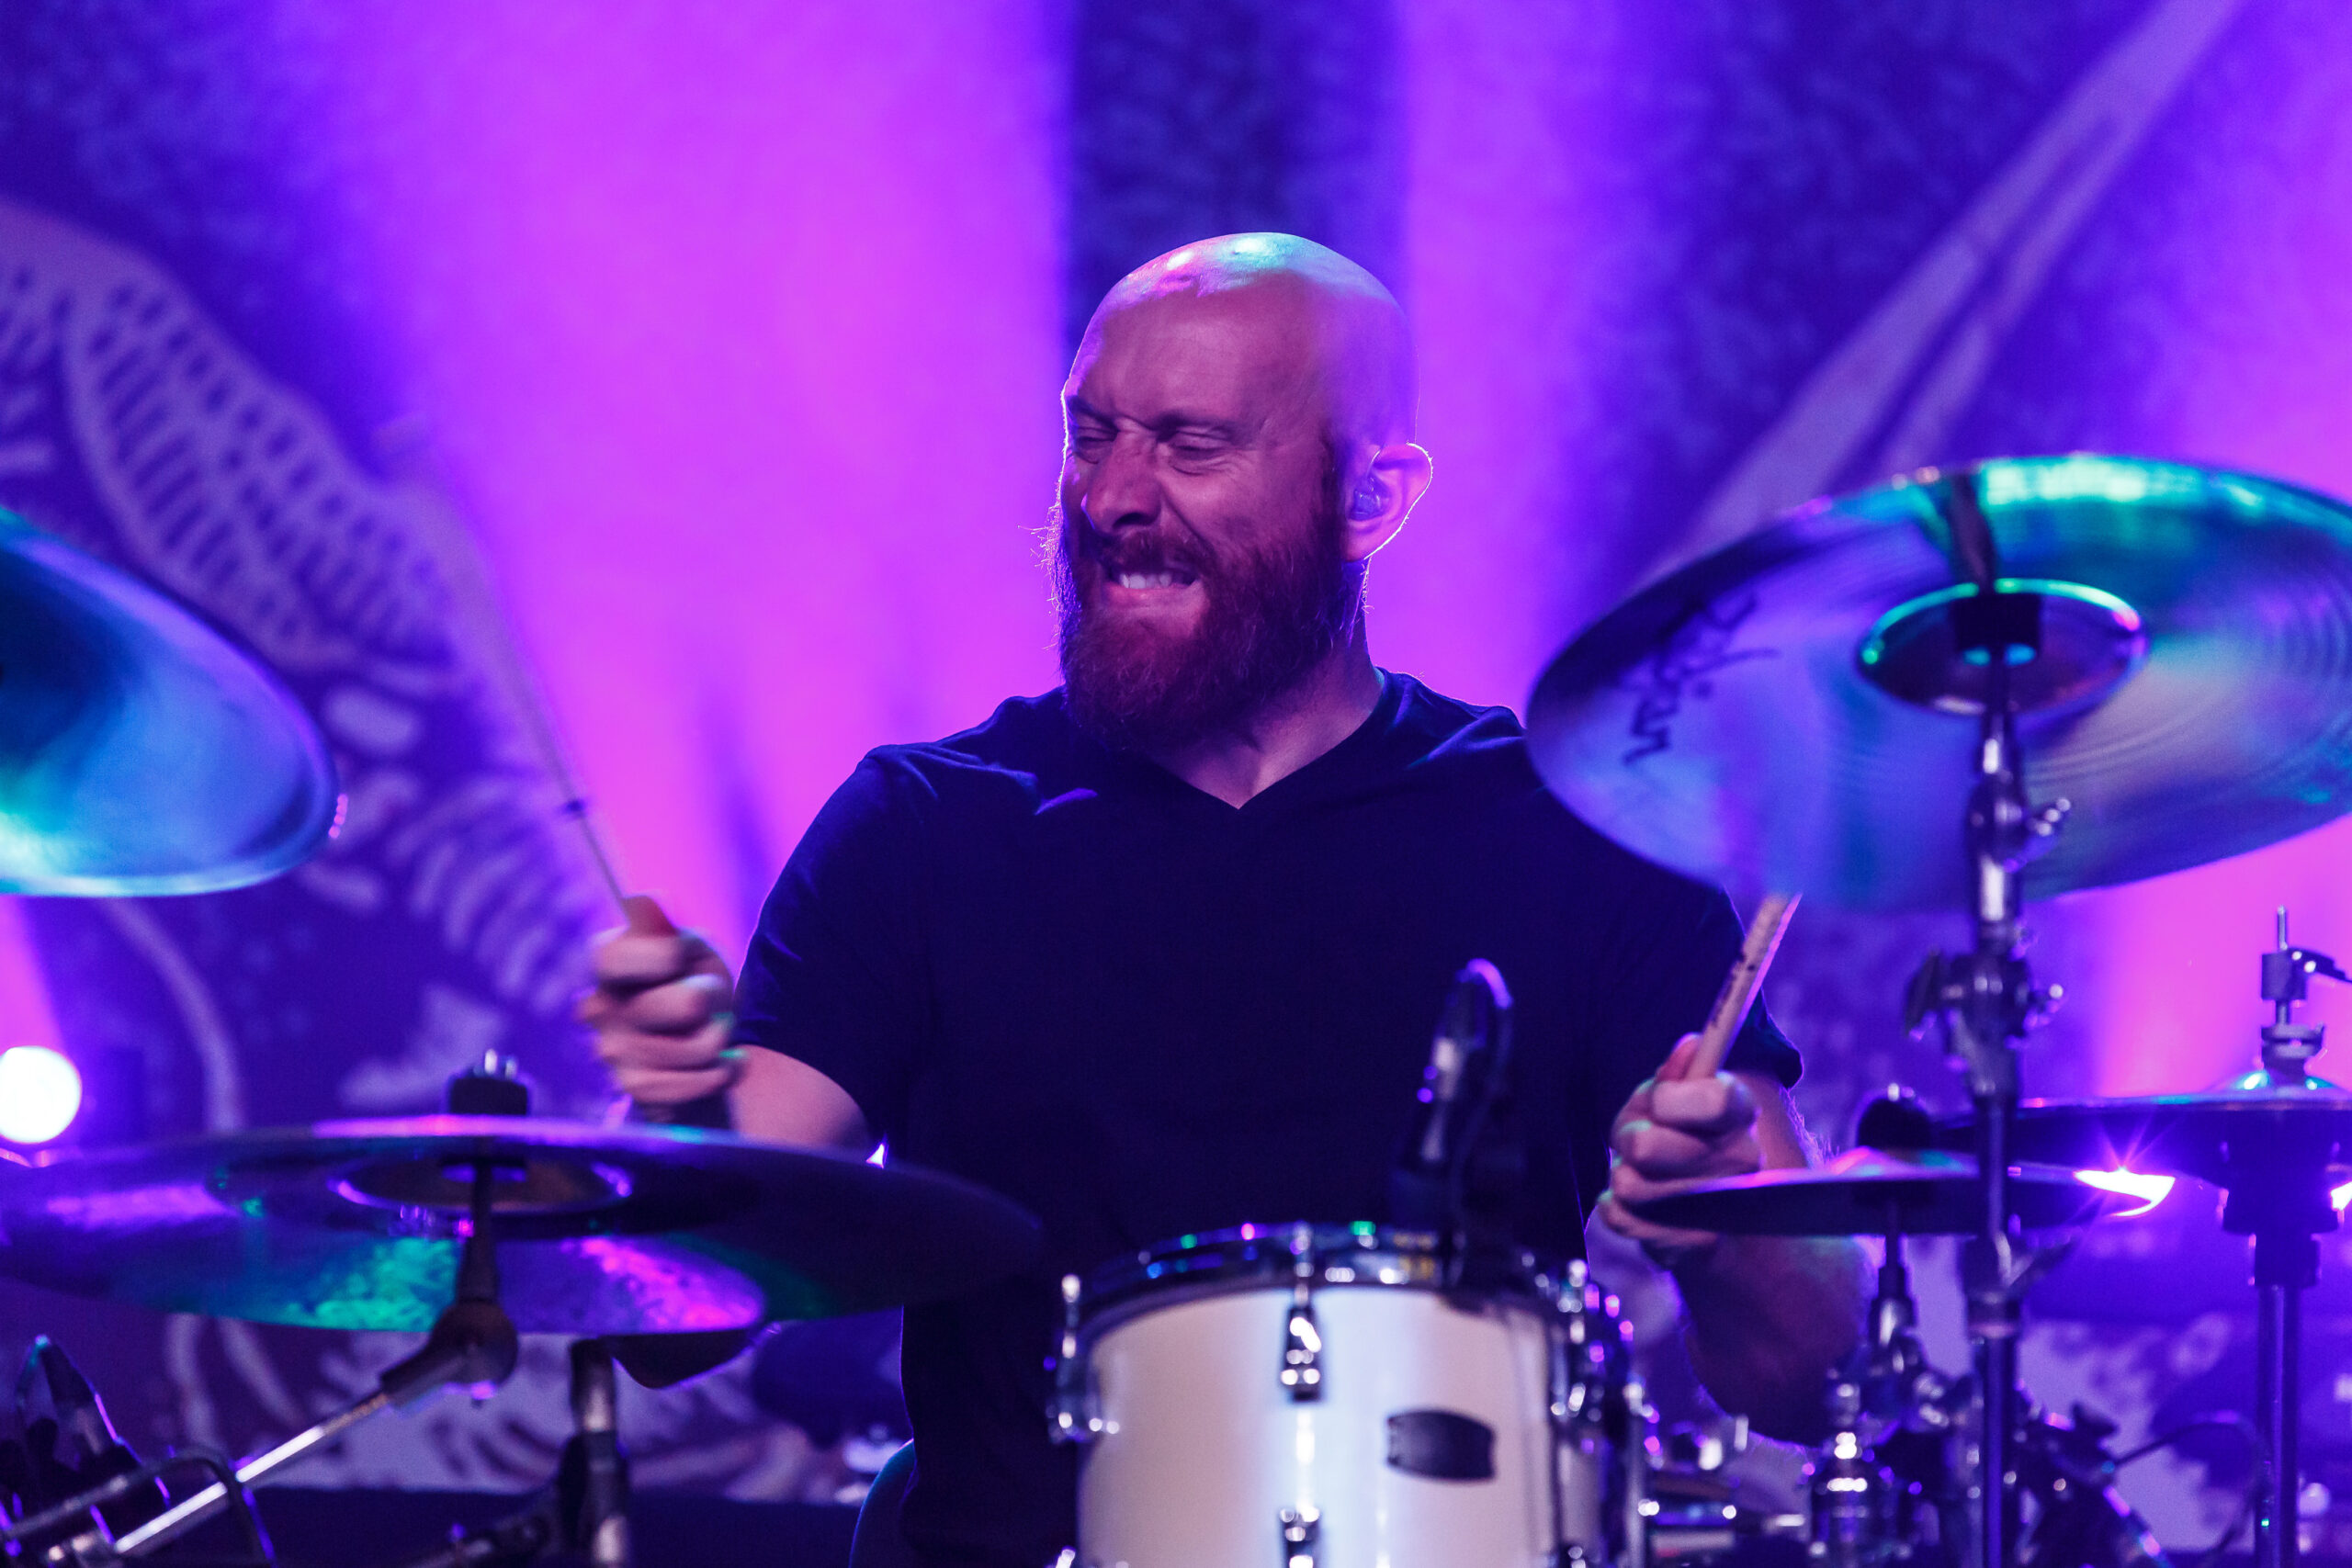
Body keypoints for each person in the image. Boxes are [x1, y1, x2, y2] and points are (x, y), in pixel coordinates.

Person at [582, 232, 1866, 1567]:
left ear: (1371, 496)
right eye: (1090, 436)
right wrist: (679, 1115)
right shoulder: (923, 828)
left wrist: (1724, 1228)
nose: (1111, 497)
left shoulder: (1573, 835)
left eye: (1191, 446)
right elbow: (663, 1329)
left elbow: (1810, 1375)